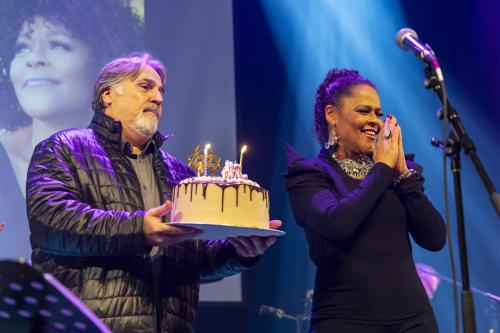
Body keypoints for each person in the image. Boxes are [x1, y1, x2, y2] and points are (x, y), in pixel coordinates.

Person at [26, 52, 280, 332]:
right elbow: (50, 222)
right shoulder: (63, 148)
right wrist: (138, 229)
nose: (158, 98)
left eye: (161, 91)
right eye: (145, 87)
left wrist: (238, 253)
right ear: (108, 94)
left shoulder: (180, 173)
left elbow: (195, 260)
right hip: (89, 325)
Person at [285, 69, 446, 333]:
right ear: (332, 115)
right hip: (344, 321)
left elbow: (435, 238)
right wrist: (382, 168)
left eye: (378, 113)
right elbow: (337, 224)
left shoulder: (399, 175)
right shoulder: (310, 174)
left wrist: (404, 174)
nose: (375, 121)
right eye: (364, 111)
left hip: (414, 321)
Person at [0, 0, 143, 260]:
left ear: (102, 66)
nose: (34, 59)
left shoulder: (135, 167)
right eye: (22, 47)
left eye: (58, 44)